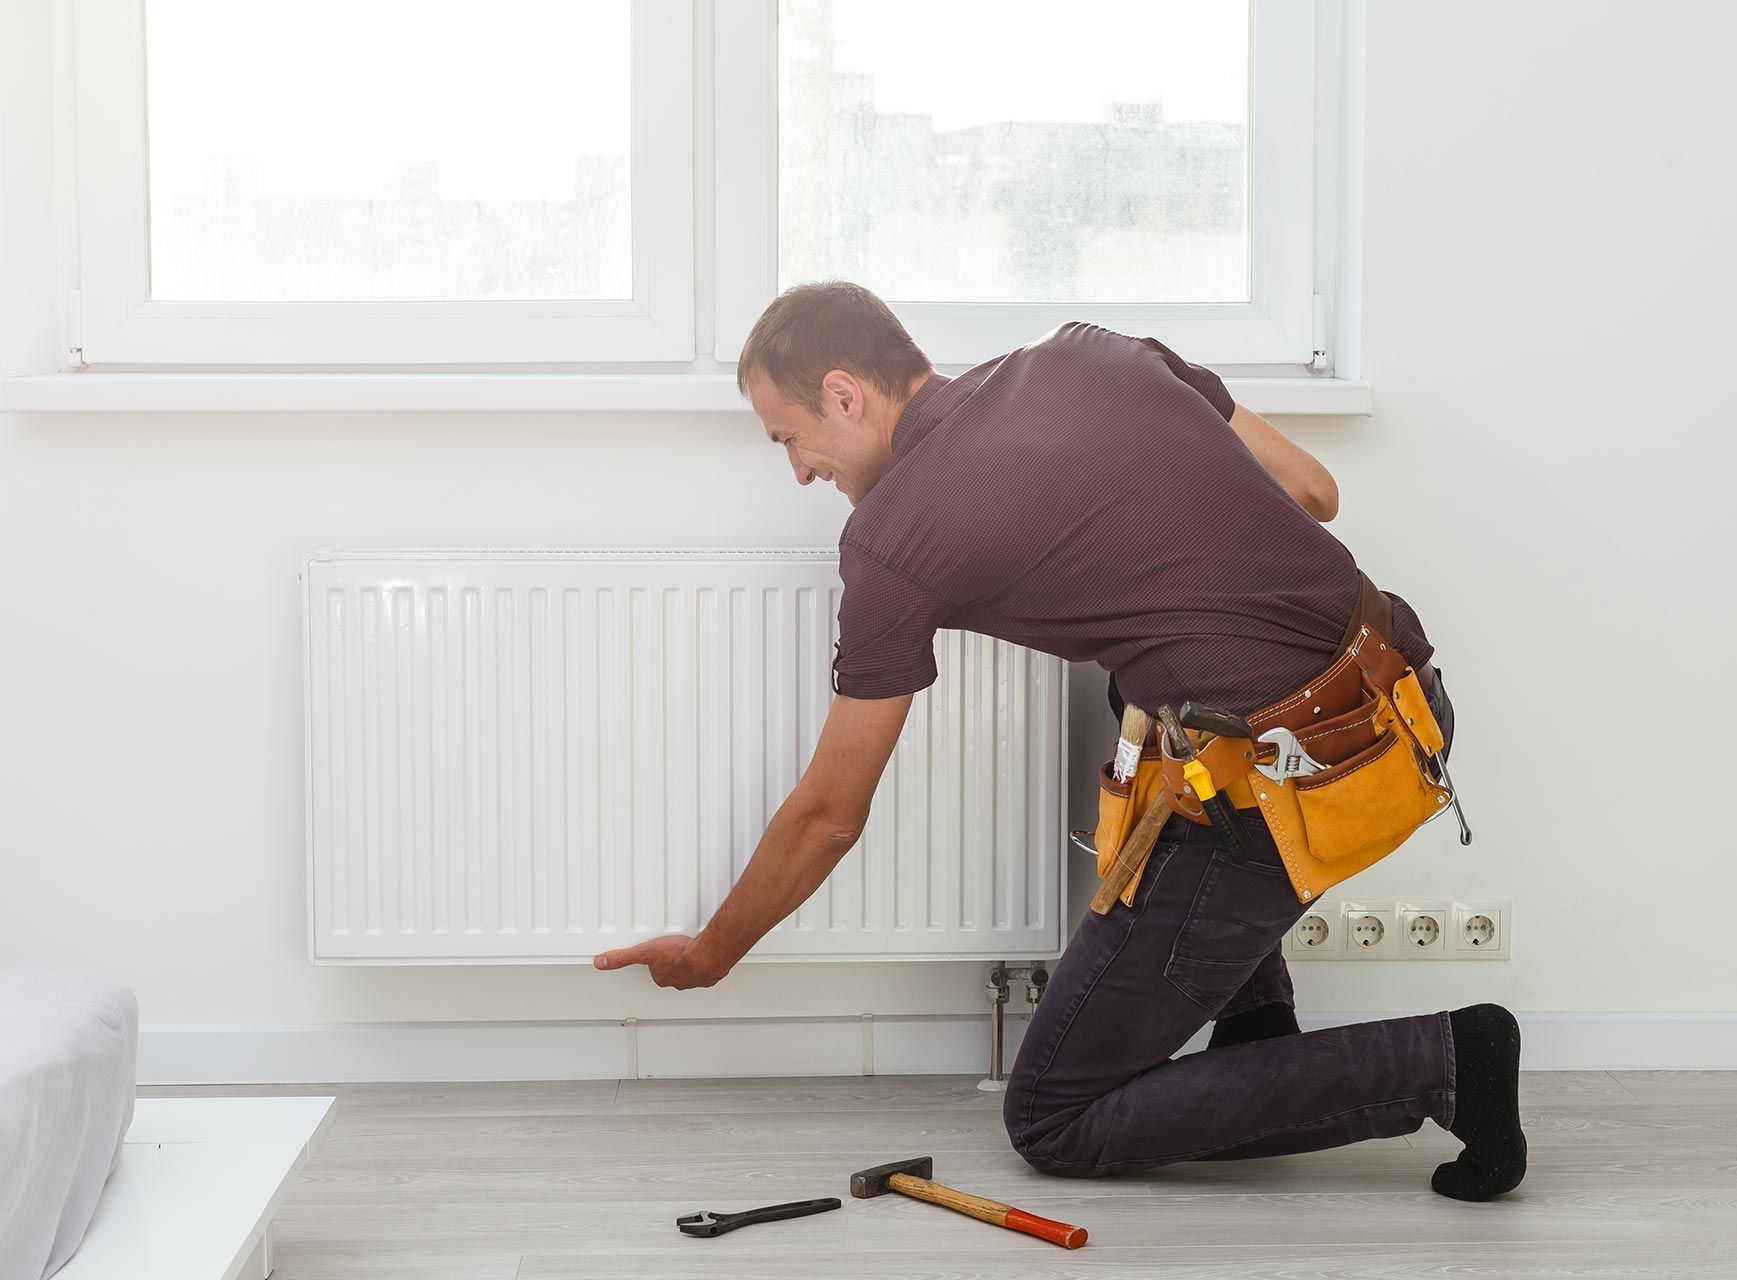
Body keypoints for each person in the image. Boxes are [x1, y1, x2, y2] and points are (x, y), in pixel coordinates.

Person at [593, 281, 1526, 1201]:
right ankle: (1257, 1038)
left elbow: (831, 815)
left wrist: (714, 952)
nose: (798, 470)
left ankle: (1452, 1062)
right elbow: (1315, 492)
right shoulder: (1095, 349)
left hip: (1291, 782)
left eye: (789, 438)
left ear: (845, 392)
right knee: (1145, 691)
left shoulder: (889, 544)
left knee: (1052, 1114)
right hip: (1401, 700)